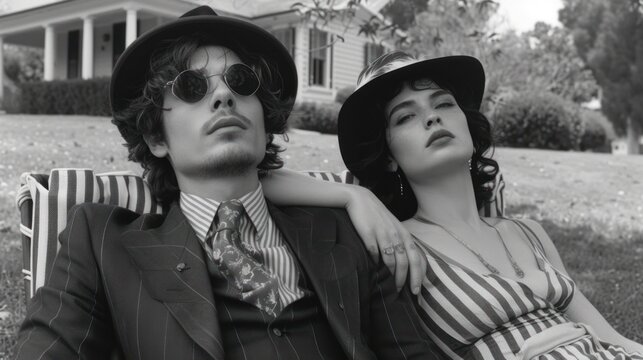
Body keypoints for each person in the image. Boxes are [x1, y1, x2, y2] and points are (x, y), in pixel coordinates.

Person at [14, 8, 439, 359]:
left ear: (263, 117)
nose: (223, 97)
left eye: (240, 81)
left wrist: (353, 195)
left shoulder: (345, 230)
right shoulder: (101, 241)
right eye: (191, 87)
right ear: (156, 138)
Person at [333, 50, 643, 359]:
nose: (432, 117)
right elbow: (280, 175)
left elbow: (612, 339)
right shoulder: (397, 246)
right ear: (387, 157)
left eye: (443, 103)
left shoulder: (528, 232)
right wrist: (353, 195)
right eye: (405, 117)